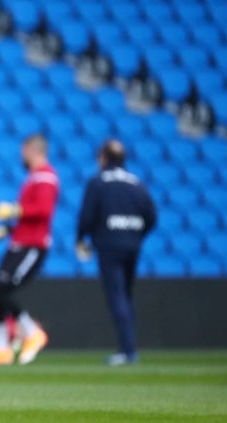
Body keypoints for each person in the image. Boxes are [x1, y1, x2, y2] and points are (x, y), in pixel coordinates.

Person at [76, 139, 156, 366]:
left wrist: (81, 239)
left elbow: (87, 216)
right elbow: (151, 215)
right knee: (127, 295)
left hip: (110, 245)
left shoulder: (98, 182)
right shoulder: (135, 182)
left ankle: (127, 351)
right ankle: (129, 348)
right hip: (132, 244)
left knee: (117, 296)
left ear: (103, 158)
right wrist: (137, 234)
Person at [0, 134, 59, 366]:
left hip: (33, 246)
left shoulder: (46, 177)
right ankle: (3, 347)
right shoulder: (35, 177)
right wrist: (7, 230)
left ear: (32, 150)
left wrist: (15, 210)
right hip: (20, 243)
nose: (21, 156)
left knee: (2, 290)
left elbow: (43, 211)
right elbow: (29, 217)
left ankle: (32, 332)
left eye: (23, 151)